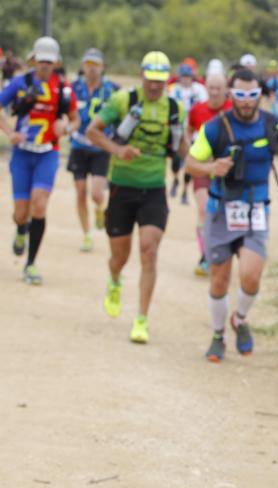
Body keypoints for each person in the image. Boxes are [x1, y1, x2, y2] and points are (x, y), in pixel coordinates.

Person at [185, 68, 278, 363]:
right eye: (240, 94)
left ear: (260, 95)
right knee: (219, 280)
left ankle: (239, 318)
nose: (246, 101)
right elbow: (189, 163)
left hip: (256, 211)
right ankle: (217, 335)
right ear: (230, 94)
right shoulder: (214, 128)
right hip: (221, 211)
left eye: (252, 95)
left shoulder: (273, 125)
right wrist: (210, 169)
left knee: (251, 277)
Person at [86, 51, 187, 344]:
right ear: (141, 75)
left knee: (149, 250)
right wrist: (119, 151)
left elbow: (184, 147)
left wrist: (204, 165)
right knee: (120, 256)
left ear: (167, 80)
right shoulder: (123, 101)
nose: (154, 86)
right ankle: (115, 280)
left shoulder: (175, 108)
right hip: (122, 186)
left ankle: (141, 319)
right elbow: (92, 132)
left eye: (160, 81)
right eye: (150, 79)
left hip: (154, 188)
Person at [0, 36, 78, 284]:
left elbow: (76, 119)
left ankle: (31, 263)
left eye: (49, 62)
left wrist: (65, 127)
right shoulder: (20, 83)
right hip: (22, 154)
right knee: (21, 213)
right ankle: (21, 229)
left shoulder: (64, 89)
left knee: (40, 205)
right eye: (41, 61)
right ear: (33, 60)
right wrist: (10, 132)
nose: (44, 66)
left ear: (56, 63)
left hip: (48, 153)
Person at [68, 47, 119, 252]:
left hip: (100, 147)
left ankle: (99, 208)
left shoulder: (111, 89)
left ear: (102, 67)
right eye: (88, 65)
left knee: (97, 193)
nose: (92, 69)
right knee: (80, 191)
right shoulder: (73, 88)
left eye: (95, 65)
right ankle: (86, 234)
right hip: (78, 145)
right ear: (83, 66)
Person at [186, 72, 232, 276]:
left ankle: (222, 252)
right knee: (204, 209)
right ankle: (205, 255)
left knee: (222, 213)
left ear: (226, 90)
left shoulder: (233, 110)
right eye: (210, 88)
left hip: (227, 171)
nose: (214, 92)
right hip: (202, 168)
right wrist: (192, 152)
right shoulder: (197, 110)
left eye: (218, 88)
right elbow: (188, 131)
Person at [168, 62, 208, 203]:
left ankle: (185, 189)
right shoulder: (174, 90)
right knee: (175, 161)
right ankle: (175, 179)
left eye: (188, 76)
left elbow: (204, 107)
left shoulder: (200, 90)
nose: (185, 79)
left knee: (189, 161)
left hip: (194, 132)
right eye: (183, 77)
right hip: (178, 131)